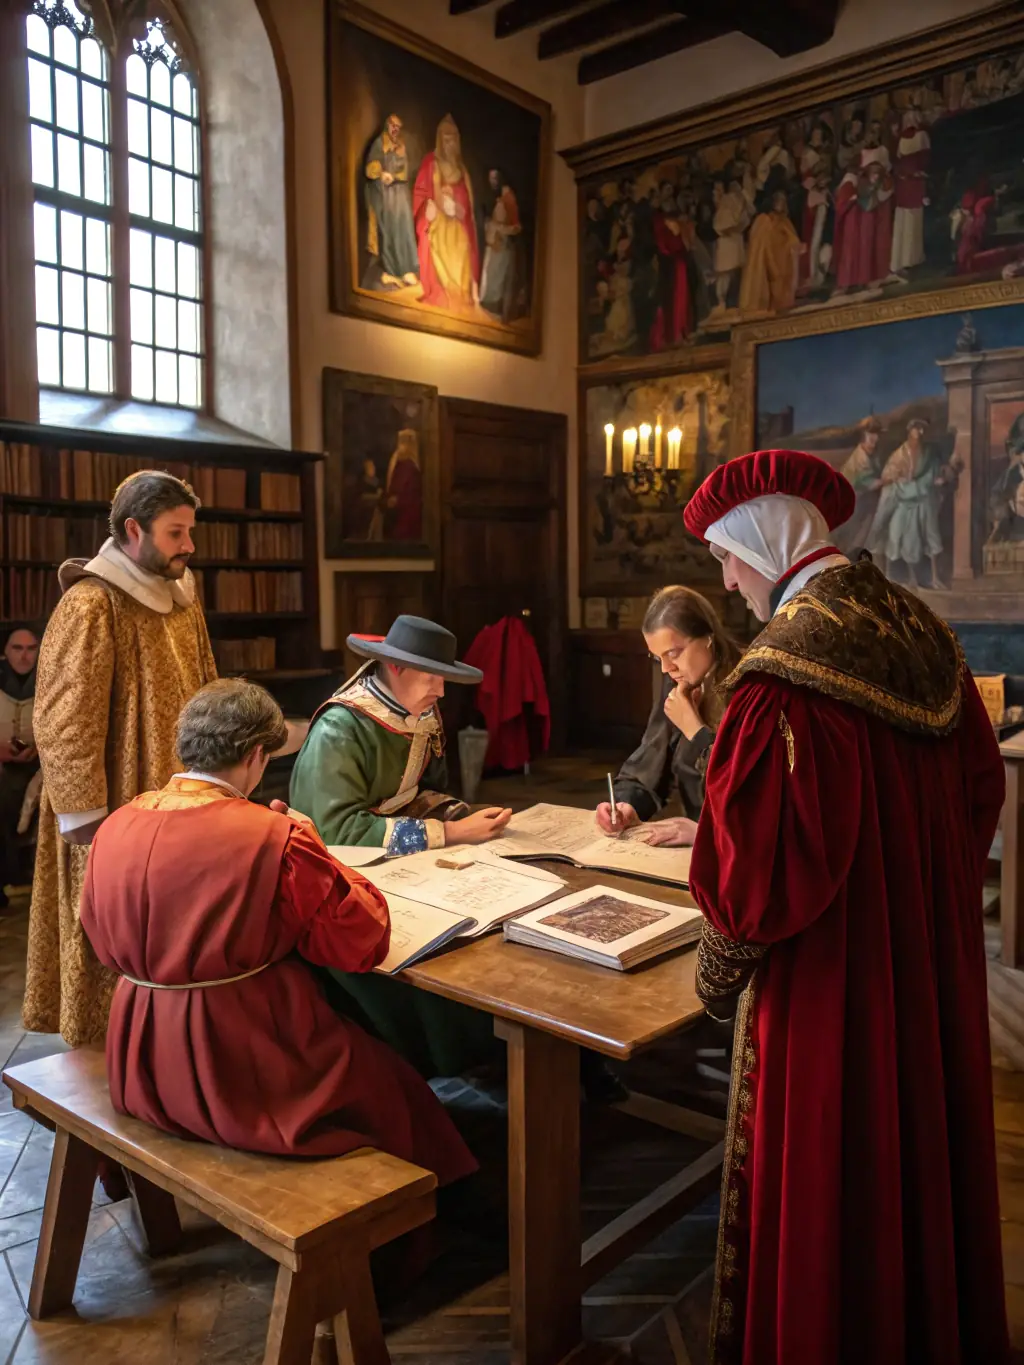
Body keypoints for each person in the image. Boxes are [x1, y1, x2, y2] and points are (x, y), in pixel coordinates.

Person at [681, 448, 1008, 1365]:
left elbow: (754, 886)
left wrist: (718, 972)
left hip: (831, 983)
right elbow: (981, 794)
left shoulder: (782, 675)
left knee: (834, 1166)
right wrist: (923, 897)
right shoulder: (925, 632)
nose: (729, 579)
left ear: (758, 540)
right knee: (916, 1146)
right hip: (926, 965)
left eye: (727, 557)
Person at [79, 678, 475, 1185]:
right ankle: (427, 1216)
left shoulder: (115, 826)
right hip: (245, 1061)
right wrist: (317, 849)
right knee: (395, 1089)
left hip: (142, 1055)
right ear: (257, 756)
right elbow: (360, 941)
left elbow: (97, 932)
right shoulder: (276, 837)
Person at [23, 471, 217, 1046]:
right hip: (114, 813)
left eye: (190, 531)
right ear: (133, 529)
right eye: (175, 532)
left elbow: (206, 687)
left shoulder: (183, 596)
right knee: (111, 936)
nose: (188, 545)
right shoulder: (91, 603)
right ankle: (103, 1067)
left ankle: (163, 1051)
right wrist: (88, 820)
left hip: (181, 801)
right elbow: (62, 719)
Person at [289, 615, 510, 1079]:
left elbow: (420, 793)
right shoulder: (341, 729)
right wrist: (447, 834)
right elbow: (334, 830)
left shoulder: (421, 714)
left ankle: (493, 1058)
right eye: (432, 677)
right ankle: (433, 1066)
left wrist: (456, 815)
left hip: (406, 866)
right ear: (396, 669)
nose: (441, 691)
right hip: (339, 879)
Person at [596, 586, 740, 849]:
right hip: (689, 848)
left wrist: (695, 730)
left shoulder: (750, 685)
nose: (666, 668)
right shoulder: (676, 682)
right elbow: (651, 762)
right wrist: (626, 805)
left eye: (673, 654)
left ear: (708, 637)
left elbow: (749, 789)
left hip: (736, 847)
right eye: (657, 657)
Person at [413, 114, 479, 309]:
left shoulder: (462, 169)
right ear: (441, 141)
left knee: (462, 243)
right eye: (446, 140)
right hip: (439, 218)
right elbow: (430, 193)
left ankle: (461, 292)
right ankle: (446, 290)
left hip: (456, 219)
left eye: (453, 140)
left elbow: (468, 203)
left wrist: (459, 209)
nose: (450, 144)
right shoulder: (433, 163)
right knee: (439, 239)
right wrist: (439, 206)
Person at [0, 625, 40, 909]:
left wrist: (40, 748)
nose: (24, 656)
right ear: (5, 651)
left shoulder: (50, 678)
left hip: (41, 764)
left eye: (30, 649)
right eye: (17, 648)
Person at [364, 113, 419, 288]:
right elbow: (370, 168)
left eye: (398, 127)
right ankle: (392, 269)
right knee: (389, 228)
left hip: (399, 192)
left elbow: (405, 171)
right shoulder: (380, 143)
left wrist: (394, 176)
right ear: (388, 125)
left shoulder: (401, 146)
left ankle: (406, 269)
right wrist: (382, 174)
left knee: (404, 227)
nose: (395, 130)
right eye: (393, 126)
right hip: (384, 193)